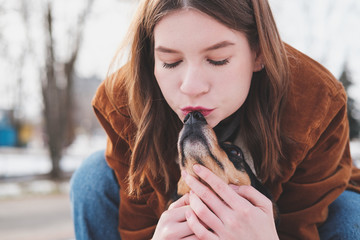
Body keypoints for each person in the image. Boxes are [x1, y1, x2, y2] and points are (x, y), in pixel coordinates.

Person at [70, 0, 360, 239]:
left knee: (350, 211)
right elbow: (139, 227)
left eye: (218, 59)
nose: (192, 86)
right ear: (150, 59)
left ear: (259, 52)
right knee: (92, 176)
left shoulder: (317, 102)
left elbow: (300, 229)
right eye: (170, 62)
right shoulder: (123, 101)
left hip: (288, 222)